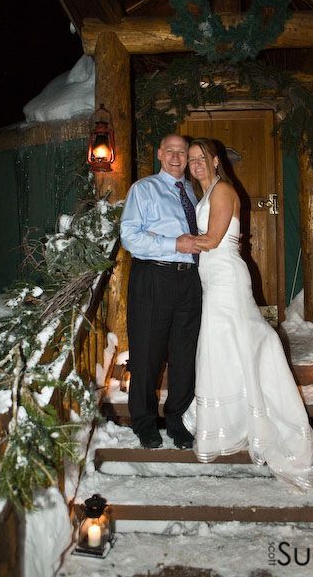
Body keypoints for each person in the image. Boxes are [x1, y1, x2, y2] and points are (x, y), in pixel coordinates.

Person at [182, 138, 313, 491]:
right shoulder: (209, 190)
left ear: (216, 161)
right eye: (191, 159)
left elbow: (212, 240)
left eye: (202, 158)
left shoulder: (223, 189)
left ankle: (253, 420)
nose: (196, 163)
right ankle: (236, 418)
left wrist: (176, 240)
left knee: (230, 342)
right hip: (216, 277)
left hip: (226, 278)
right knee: (227, 345)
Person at [120, 134, 201, 449]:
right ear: (159, 154)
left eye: (182, 152)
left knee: (185, 354)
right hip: (153, 277)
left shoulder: (194, 193)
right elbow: (130, 236)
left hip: (190, 280)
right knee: (147, 353)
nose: (177, 157)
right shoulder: (144, 189)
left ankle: (178, 419)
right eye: (171, 151)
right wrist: (173, 244)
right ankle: (144, 422)